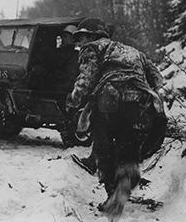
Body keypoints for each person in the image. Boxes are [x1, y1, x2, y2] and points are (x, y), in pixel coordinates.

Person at [66, 18, 165, 219]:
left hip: (110, 99)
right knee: (126, 144)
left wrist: (73, 101)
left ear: (93, 35)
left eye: (82, 37)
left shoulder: (93, 48)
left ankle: (113, 194)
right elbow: (157, 77)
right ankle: (128, 174)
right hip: (140, 102)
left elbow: (87, 78)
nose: (79, 44)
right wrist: (157, 96)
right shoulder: (132, 50)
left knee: (103, 148)